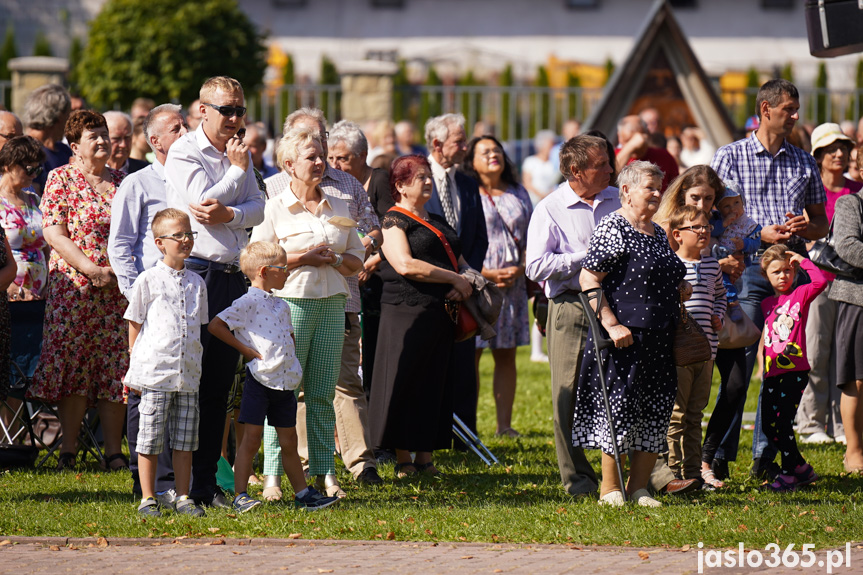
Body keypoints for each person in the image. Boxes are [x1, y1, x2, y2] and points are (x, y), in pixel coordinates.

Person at [262, 109, 383, 498]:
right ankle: (273, 477)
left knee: (321, 393)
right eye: (311, 157)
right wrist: (301, 259)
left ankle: (325, 476)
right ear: (289, 165)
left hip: (333, 304)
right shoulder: (273, 203)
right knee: (282, 391)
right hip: (290, 306)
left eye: (321, 155)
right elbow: (260, 258)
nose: (320, 163)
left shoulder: (340, 203)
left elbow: (356, 259)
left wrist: (336, 260)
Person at [711, 79, 828, 480]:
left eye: (796, 109)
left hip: (789, 272)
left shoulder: (804, 161)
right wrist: (758, 233)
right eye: (788, 109)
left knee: (779, 365)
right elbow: (717, 218)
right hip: (747, 267)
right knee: (738, 364)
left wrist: (805, 226)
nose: (795, 116)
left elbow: (820, 223)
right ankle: (720, 458)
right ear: (765, 109)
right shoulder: (729, 157)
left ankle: (766, 458)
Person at [165, 76, 265, 508]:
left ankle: (206, 484)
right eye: (227, 110)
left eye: (240, 110)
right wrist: (236, 174)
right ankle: (173, 485)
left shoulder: (239, 149)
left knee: (219, 384)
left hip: (229, 275)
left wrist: (233, 211)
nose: (235, 119)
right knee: (187, 381)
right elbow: (201, 206)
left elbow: (260, 208)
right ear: (201, 110)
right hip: (196, 273)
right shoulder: (185, 151)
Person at [574, 161, 686, 507]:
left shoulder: (656, 231)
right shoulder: (614, 226)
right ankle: (610, 489)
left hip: (660, 337)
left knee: (653, 412)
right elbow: (588, 279)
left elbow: (663, 272)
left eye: (659, 187)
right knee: (619, 412)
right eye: (649, 187)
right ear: (626, 191)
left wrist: (681, 285)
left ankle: (639, 488)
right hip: (625, 339)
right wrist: (610, 322)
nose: (657, 193)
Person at [27, 110, 129, 471]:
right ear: (75, 146)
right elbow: (54, 233)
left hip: (117, 291)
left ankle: (114, 452)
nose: (103, 141)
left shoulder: (123, 181)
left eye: (105, 134)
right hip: (74, 291)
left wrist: (115, 273)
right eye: (94, 136)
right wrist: (90, 269)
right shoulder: (61, 178)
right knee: (75, 367)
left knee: (116, 367)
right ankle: (68, 449)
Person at [208, 241, 340, 512]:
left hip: (285, 382)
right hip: (261, 381)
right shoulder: (246, 302)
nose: (288, 272)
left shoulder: (282, 305)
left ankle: (303, 494)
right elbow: (216, 325)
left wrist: (292, 365)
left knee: (289, 440)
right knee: (251, 439)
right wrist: (244, 349)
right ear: (265, 271)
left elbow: (288, 336)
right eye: (283, 269)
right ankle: (241, 495)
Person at [525, 134, 618, 499]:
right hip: (571, 308)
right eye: (601, 165)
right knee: (567, 396)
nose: (611, 169)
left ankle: (630, 476)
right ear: (576, 171)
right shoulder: (549, 208)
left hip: (621, 305)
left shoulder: (618, 198)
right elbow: (535, 266)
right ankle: (579, 481)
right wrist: (587, 257)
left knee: (625, 391)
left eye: (609, 162)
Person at [368, 154, 473, 477]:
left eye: (429, 177)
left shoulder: (438, 221)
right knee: (405, 383)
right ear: (399, 185)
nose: (428, 182)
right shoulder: (393, 220)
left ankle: (425, 459)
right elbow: (404, 264)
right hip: (405, 313)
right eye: (420, 178)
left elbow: (461, 261)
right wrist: (453, 279)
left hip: (439, 315)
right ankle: (403, 459)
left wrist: (465, 280)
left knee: (433, 385)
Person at [109, 103, 188, 503]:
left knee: (182, 391)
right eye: (177, 128)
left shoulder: (195, 177)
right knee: (146, 389)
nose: (185, 131)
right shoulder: (137, 184)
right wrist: (136, 294)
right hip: (151, 302)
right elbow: (121, 244)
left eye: (186, 125)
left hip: (189, 296)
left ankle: (180, 483)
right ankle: (150, 485)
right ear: (154, 140)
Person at [125, 209, 207, 518]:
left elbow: (199, 325)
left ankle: (183, 495)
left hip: (187, 375)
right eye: (178, 235)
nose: (186, 240)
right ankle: (148, 497)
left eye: (189, 234)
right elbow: (134, 321)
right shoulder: (148, 278)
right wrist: (135, 362)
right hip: (155, 372)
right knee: (150, 437)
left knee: (185, 440)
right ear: (160, 243)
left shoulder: (198, 282)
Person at [462, 135, 532, 437]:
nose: (493, 155)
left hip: (513, 286)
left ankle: (504, 425)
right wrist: (485, 273)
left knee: (507, 354)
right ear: (472, 162)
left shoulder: (519, 192)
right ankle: (471, 424)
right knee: (472, 355)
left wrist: (520, 267)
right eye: (485, 151)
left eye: (497, 150)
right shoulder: (466, 192)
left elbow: (533, 236)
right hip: (478, 282)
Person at [424, 113, 488, 439]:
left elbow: (479, 237)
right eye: (459, 141)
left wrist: (466, 279)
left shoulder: (467, 181)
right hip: (428, 290)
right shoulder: (415, 177)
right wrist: (445, 279)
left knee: (464, 366)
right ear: (437, 144)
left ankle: (466, 436)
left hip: (464, 292)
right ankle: (431, 434)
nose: (466, 147)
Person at [798, 123, 862, 445]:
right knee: (816, 348)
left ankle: (842, 424)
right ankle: (811, 423)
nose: (839, 153)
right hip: (817, 279)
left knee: (846, 356)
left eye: (843, 147)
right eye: (831, 148)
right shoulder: (811, 189)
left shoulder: (856, 189)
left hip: (852, 285)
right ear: (818, 155)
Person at [327, 119, 392, 395]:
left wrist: (371, 262)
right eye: (330, 157)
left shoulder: (378, 180)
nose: (335, 164)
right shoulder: (335, 184)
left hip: (377, 278)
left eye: (342, 158)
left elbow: (393, 227)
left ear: (362, 156)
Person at [758, 245, 829, 491]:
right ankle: (801, 467)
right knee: (769, 424)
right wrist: (761, 368)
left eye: (788, 270)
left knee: (784, 421)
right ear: (766, 275)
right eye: (776, 272)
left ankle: (789, 474)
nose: (782, 276)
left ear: (795, 272)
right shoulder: (766, 303)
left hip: (795, 371)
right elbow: (766, 339)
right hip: (772, 372)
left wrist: (803, 260)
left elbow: (820, 283)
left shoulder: (799, 295)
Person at [666, 205, 726, 488]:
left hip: (707, 353)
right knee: (676, 415)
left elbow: (721, 296)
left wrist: (719, 316)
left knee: (695, 414)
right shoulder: (671, 266)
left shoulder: (713, 265)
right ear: (677, 234)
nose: (704, 232)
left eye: (707, 228)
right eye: (696, 228)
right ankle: (672, 473)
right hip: (679, 355)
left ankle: (692, 473)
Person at [830, 188, 863, 474]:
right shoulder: (850, 203)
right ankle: (854, 450)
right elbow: (847, 245)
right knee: (857, 379)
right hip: (857, 299)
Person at [0, 136, 48, 301]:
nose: (34, 175)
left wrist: (48, 285)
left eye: (38, 170)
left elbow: (47, 248)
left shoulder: (35, 200)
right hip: (8, 297)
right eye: (29, 169)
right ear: (9, 165)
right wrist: (12, 289)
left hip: (40, 297)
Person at [710, 184, 762, 320]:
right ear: (719, 208)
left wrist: (744, 244)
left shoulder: (750, 224)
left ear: (743, 202)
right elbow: (712, 231)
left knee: (737, 285)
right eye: (726, 206)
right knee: (724, 283)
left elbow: (756, 243)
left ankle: (734, 304)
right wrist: (724, 224)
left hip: (739, 262)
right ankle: (733, 304)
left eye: (736, 203)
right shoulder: (717, 220)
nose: (733, 209)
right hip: (720, 257)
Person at [23, 84, 71, 195]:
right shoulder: (26, 151)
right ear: (59, 116)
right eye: (68, 114)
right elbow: (33, 198)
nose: (69, 120)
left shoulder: (64, 151)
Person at [615, 115, 678, 192]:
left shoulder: (663, 155)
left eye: (635, 139)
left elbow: (676, 188)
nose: (635, 143)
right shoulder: (612, 155)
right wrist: (630, 147)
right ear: (619, 137)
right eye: (627, 140)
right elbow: (612, 176)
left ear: (646, 135)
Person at [521, 130, 560, 206]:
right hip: (533, 202)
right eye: (550, 146)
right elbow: (527, 183)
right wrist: (542, 195)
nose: (553, 149)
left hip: (549, 202)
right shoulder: (530, 161)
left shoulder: (553, 163)